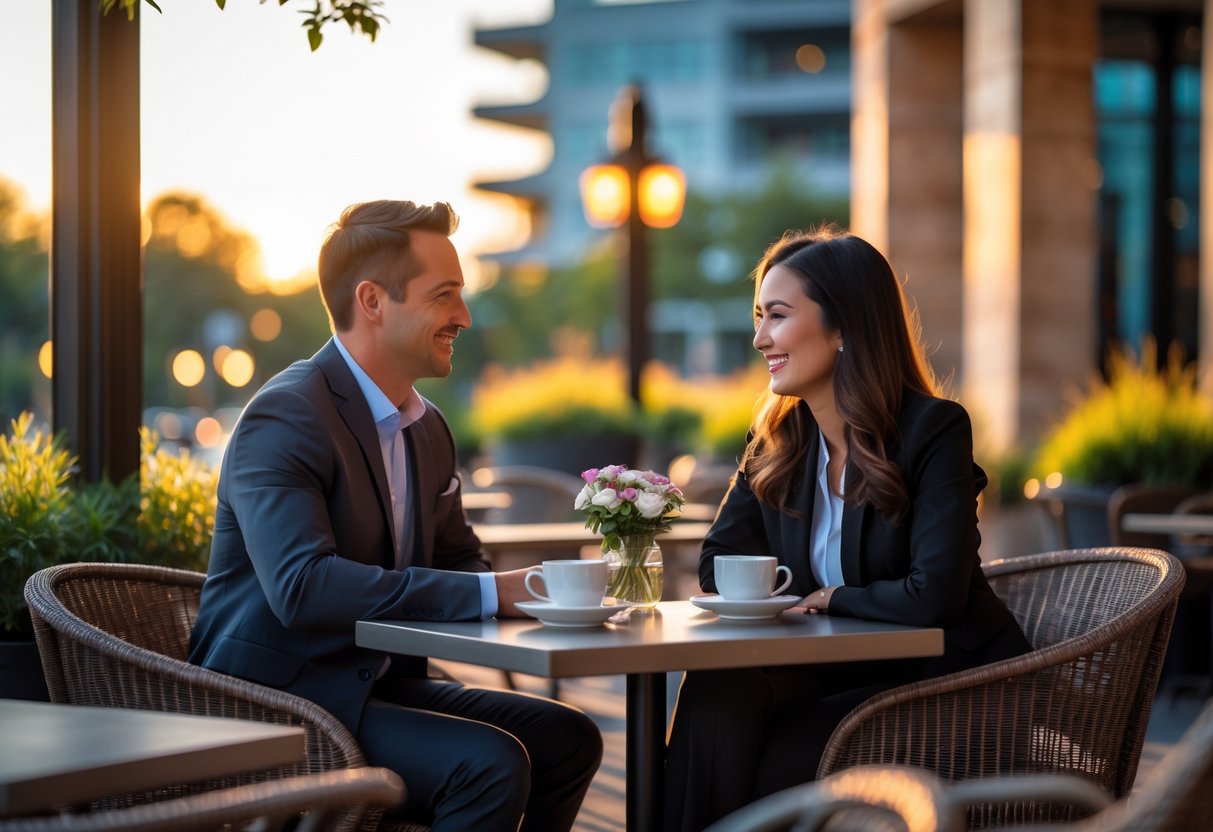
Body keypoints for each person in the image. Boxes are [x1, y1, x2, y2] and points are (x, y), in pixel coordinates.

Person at [188, 200, 602, 832]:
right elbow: (304, 589)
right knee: (488, 764)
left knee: (568, 736)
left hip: (372, 685)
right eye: (445, 296)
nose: (463, 317)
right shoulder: (286, 415)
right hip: (276, 701)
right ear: (373, 301)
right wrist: (492, 593)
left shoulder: (427, 427)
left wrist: (530, 601)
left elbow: (460, 557)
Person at [662, 226, 1031, 831]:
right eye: (759, 318)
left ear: (843, 329)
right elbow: (718, 560)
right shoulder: (779, 443)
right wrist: (779, 603)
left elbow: (934, 594)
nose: (759, 339)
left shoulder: (933, 430)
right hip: (839, 673)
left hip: (948, 685)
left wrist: (833, 598)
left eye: (776, 317)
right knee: (716, 692)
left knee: (776, 752)